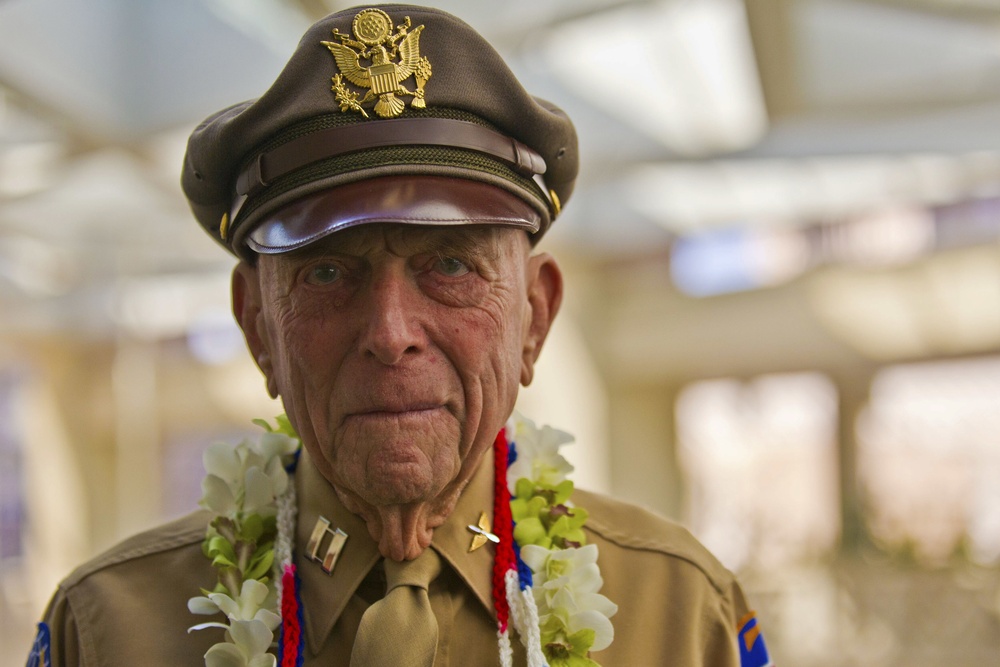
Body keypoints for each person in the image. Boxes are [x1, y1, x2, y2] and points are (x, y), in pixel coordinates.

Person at [28, 5, 772, 666]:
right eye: (326, 274)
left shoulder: (678, 617)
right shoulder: (107, 634)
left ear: (534, 320)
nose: (389, 333)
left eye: (450, 264)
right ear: (257, 326)